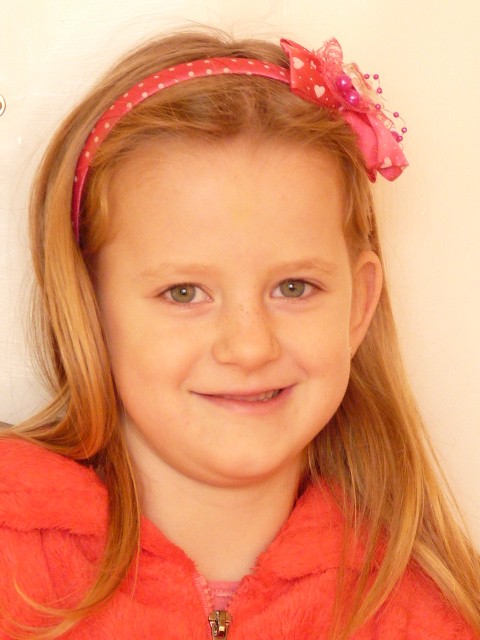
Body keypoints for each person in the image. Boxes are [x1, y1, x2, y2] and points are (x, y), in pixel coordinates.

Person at [0, 27, 478, 640]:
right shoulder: (14, 567)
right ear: (89, 308)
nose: (250, 348)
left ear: (358, 307)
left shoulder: (424, 616)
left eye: (294, 288)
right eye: (184, 293)